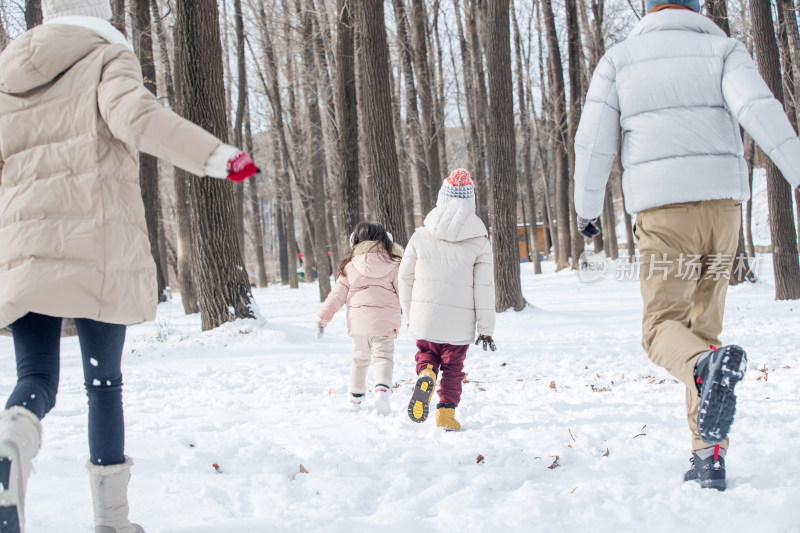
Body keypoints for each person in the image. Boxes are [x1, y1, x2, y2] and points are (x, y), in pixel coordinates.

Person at [0, 1, 258, 531]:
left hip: (23, 245)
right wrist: (214, 156)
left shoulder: (6, 77)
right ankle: (112, 522)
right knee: (103, 383)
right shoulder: (105, 55)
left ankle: (11, 442)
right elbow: (137, 118)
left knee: (36, 376)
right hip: (95, 241)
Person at [573, 0, 800, 491]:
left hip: (663, 213)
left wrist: (587, 210)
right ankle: (708, 457)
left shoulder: (619, 61)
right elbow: (761, 111)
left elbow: (593, 143)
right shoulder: (722, 49)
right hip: (723, 211)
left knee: (664, 331)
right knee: (703, 333)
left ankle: (705, 387)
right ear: (696, 7)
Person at [399, 169, 496, 432]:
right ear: (470, 201)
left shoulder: (421, 234)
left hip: (425, 316)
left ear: (442, 198)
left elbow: (404, 277)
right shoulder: (479, 240)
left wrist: (411, 316)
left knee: (427, 353)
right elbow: (484, 287)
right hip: (459, 323)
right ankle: (445, 415)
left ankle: (426, 373)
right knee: (453, 368)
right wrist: (486, 329)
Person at [316, 222, 403, 415]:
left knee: (359, 360)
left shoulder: (350, 266)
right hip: (385, 322)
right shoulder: (393, 263)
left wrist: (322, 319)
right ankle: (381, 391)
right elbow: (404, 293)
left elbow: (336, 296)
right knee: (383, 358)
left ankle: (355, 399)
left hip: (359, 323)